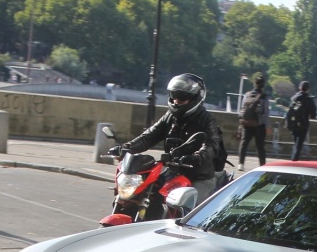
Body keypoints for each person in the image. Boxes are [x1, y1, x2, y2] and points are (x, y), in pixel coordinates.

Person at [109, 73, 223, 217]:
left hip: (199, 176)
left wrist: (197, 157)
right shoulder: (170, 116)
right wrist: (126, 148)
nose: (176, 101)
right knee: (143, 193)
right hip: (172, 172)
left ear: (196, 98)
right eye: (174, 96)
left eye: (182, 98)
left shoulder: (207, 120)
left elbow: (211, 145)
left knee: (190, 213)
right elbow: (148, 136)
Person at [237, 72, 270, 170]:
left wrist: (241, 120)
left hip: (246, 124)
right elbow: (266, 112)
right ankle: (262, 165)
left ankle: (241, 164)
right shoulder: (264, 97)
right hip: (258, 124)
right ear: (263, 85)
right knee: (260, 146)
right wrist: (267, 126)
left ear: (254, 84)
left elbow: (242, 108)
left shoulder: (247, 94)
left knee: (244, 144)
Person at [286, 80, 317, 161]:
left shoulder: (294, 98)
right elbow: (313, 115)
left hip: (293, 123)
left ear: (300, 88)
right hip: (303, 124)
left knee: (295, 143)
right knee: (298, 145)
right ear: (308, 89)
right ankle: (294, 161)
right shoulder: (309, 99)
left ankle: (293, 160)